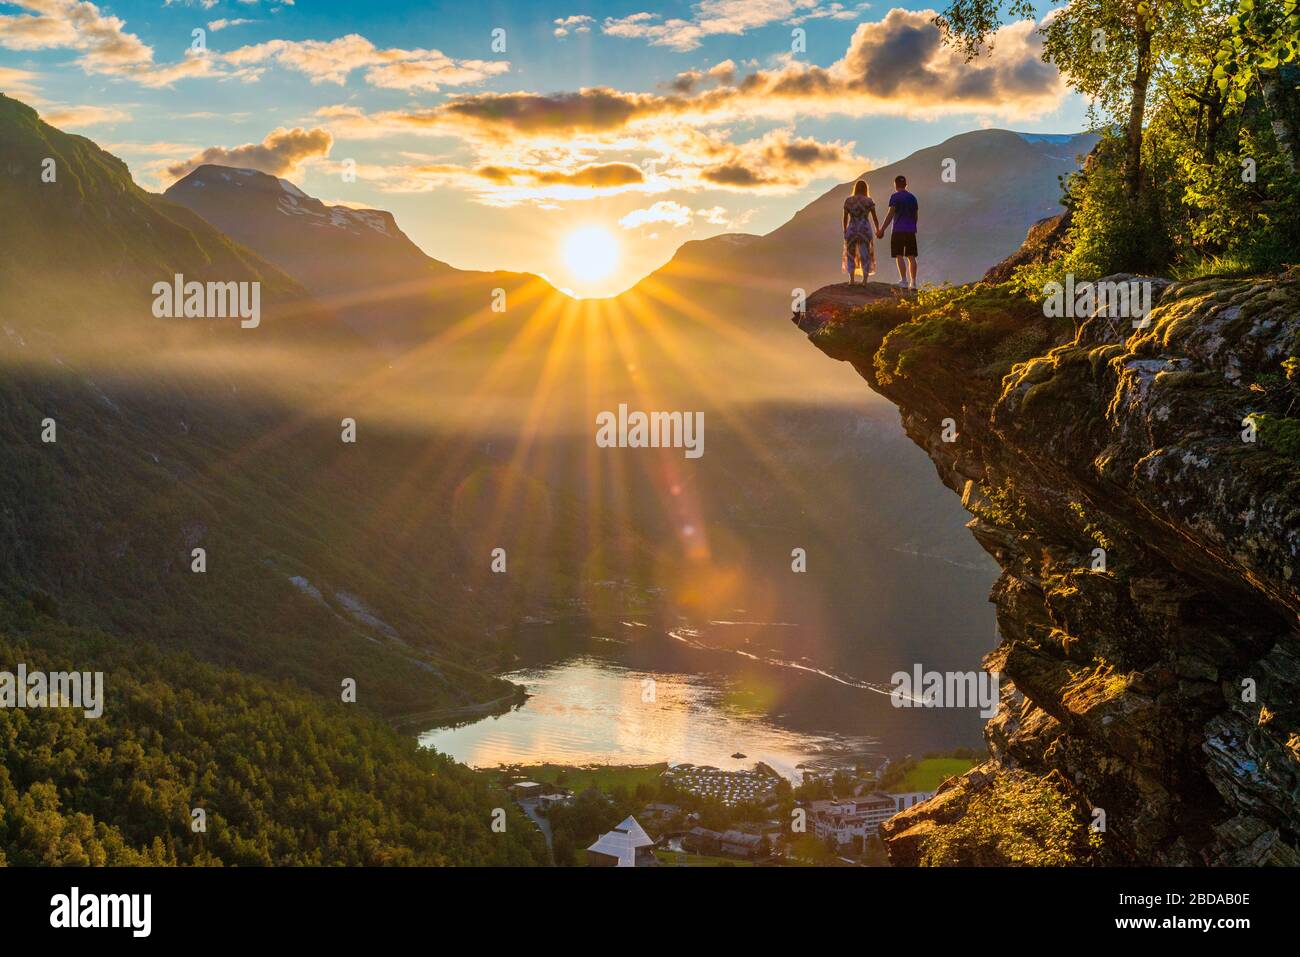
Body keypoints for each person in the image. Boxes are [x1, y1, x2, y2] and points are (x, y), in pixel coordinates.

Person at [877, 174, 919, 290]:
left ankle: (904, 281)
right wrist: (913, 227)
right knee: (911, 256)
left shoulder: (895, 197)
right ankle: (914, 283)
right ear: (906, 185)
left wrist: (882, 229)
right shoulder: (913, 198)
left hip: (898, 229)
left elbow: (891, 214)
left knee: (899, 255)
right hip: (910, 230)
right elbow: (915, 215)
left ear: (895, 185)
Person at [841, 180, 879, 285]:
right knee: (865, 254)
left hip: (852, 229)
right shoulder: (869, 201)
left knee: (850, 254)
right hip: (865, 229)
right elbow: (874, 218)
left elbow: (844, 218)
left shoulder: (848, 201)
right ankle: (865, 281)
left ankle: (852, 280)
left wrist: (845, 230)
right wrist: (878, 229)